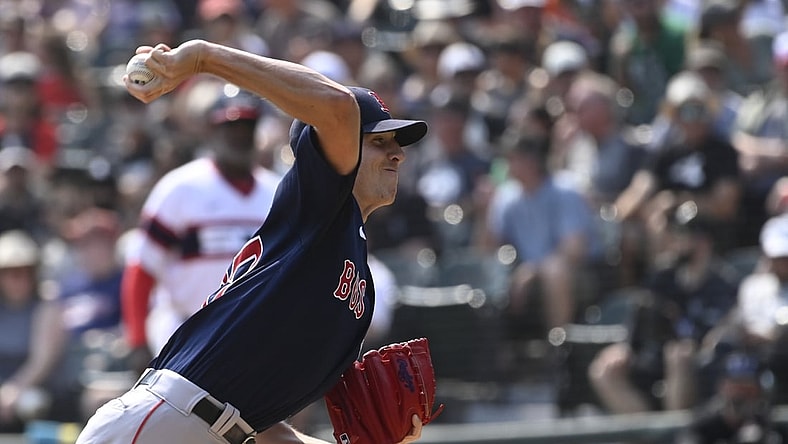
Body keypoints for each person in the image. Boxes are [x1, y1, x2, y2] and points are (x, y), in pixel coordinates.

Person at [76, 39, 427, 444]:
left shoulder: (353, 275)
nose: (398, 153)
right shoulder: (319, 205)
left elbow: (262, 430)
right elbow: (337, 106)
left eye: (398, 143)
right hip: (166, 420)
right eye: (379, 141)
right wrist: (204, 58)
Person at [121, 82, 282, 373]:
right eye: (230, 127)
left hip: (256, 334)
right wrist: (137, 338)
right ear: (211, 130)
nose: (239, 136)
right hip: (186, 329)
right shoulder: (181, 187)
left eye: (246, 127)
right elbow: (142, 268)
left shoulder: (277, 192)